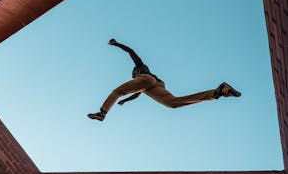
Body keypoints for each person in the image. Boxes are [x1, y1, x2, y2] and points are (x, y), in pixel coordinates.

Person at [87, 39, 241, 121]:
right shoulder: (140, 84)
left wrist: (116, 44)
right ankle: (218, 92)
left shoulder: (140, 67)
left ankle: (102, 113)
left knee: (117, 91)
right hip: (154, 86)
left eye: (133, 73)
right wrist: (125, 102)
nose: (132, 74)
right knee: (173, 104)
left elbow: (131, 52)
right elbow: (136, 94)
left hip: (147, 80)